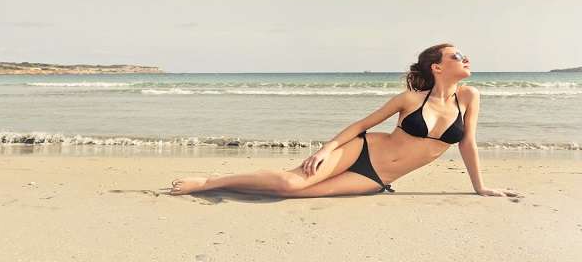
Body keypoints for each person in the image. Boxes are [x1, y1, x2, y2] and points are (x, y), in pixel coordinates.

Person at [170, 43, 519, 198]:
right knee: (292, 184)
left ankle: (227, 187)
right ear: (438, 66)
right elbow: (360, 126)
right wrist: (326, 149)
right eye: (457, 55)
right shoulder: (410, 100)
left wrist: (480, 187)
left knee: (292, 194)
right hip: (360, 152)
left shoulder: (470, 97)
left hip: (378, 178)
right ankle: (209, 182)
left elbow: (467, 143)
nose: (466, 58)